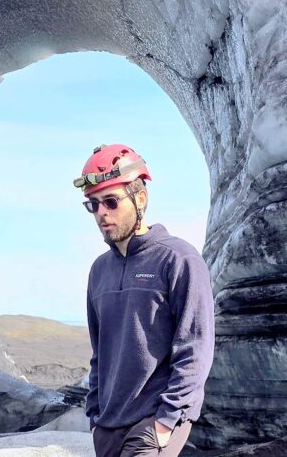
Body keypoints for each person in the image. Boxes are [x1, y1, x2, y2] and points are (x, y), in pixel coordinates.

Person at [73, 144, 215, 457]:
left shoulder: (179, 260)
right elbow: (101, 352)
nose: (101, 214)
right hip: (108, 427)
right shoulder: (99, 271)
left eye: (110, 201)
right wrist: (95, 417)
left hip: (152, 425)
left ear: (140, 198)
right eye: (92, 205)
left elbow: (195, 349)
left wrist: (164, 423)